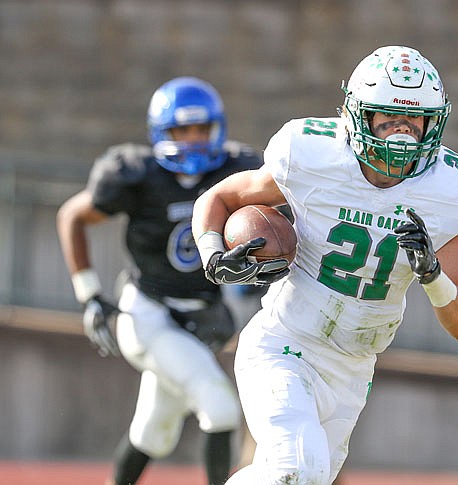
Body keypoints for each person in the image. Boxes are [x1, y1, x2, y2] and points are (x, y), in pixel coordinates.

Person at [191, 45, 458, 485]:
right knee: (296, 472)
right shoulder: (314, 155)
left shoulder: (452, 192)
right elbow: (219, 197)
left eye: (413, 121)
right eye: (388, 119)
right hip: (284, 344)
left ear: (435, 123)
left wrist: (432, 275)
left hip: (353, 368)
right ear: (359, 116)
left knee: (291, 478)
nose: (401, 134)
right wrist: (213, 256)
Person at [56, 76, 264, 485]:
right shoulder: (137, 175)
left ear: (216, 128)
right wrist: (90, 294)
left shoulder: (235, 170)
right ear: (160, 133)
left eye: (200, 130)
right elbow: (72, 216)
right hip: (147, 314)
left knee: (151, 434)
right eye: (180, 131)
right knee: (220, 407)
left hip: (202, 316)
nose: (192, 140)